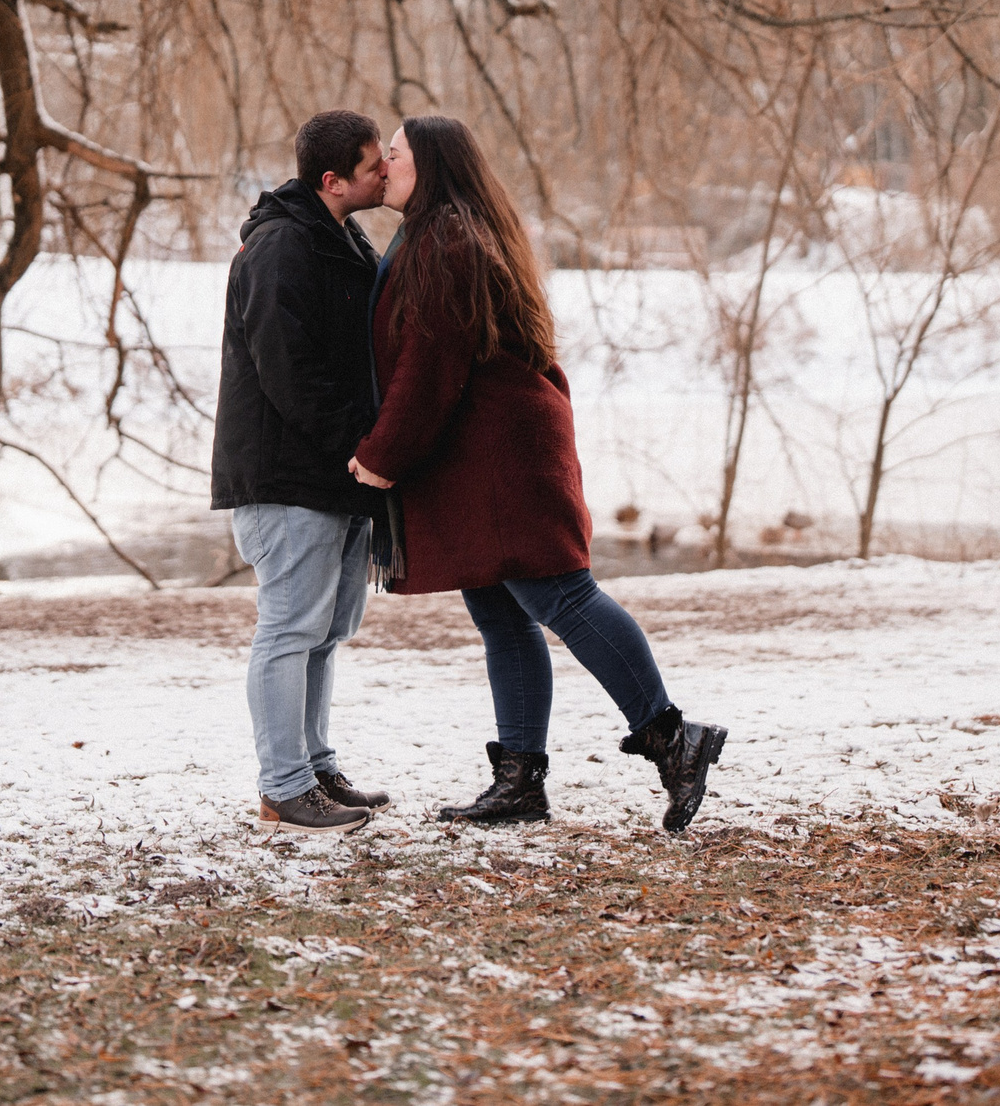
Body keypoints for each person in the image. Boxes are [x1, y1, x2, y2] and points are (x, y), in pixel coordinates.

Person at [351, 117, 727, 832]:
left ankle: (673, 736)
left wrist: (380, 455)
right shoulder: (443, 231)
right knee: (501, 613)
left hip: (504, 459)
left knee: (561, 595)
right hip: (485, 457)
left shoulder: (448, 240)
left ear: (429, 163)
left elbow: (430, 368)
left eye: (394, 153)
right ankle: (520, 779)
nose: (385, 163)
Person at [212, 110, 396, 835]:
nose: (385, 172)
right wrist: (362, 447)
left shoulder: (340, 239)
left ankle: (315, 767)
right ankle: (283, 788)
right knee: (289, 629)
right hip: (287, 477)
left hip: (332, 475)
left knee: (322, 631)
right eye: (374, 163)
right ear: (333, 179)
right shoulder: (283, 247)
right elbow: (289, 373)